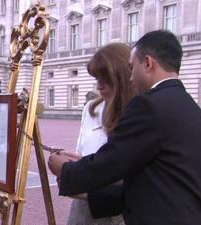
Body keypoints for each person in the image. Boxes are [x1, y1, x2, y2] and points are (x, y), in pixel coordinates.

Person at [48, 30, 201, 225]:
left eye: (132, 68)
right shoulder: (191, 109)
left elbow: (112, 163)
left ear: (147, 63)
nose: (130, 78)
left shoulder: (148, 105)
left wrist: (65, 169)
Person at [66, 43, 135, 225]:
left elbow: (133, 176)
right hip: (84, 208)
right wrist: (75, 163)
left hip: (117, 210)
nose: (100, 86)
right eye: (97, 78)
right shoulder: (91, 109)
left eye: (106, 79)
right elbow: (84, 152)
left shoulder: (139, 114)